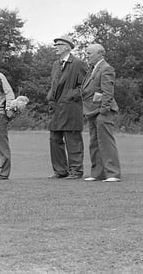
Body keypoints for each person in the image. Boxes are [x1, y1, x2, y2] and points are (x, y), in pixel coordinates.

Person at [46, 36, 88, 180]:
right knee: (54, 138)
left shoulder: (78, 64)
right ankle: (60, 171)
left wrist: (70, 95)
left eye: (59, 44)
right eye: (55, 44)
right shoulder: (55, 65)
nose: (55, 47)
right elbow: (54, 85)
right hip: (57, 109)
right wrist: (50, 98)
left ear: (67, 47)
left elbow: (85, 86)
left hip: (71, 108)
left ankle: (76, 171)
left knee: (73, 139)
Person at [82, 43, 122, 182]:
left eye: (89, 53)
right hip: (92, 111)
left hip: (102, 111)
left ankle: (112, 174)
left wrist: (104, 110)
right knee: (94, 142)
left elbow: (107, 92)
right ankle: (97, 173)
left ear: (100, 53)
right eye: (86, 53)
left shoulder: (106, 68)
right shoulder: (92, 69)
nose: (87, 55)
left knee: (106, 142)